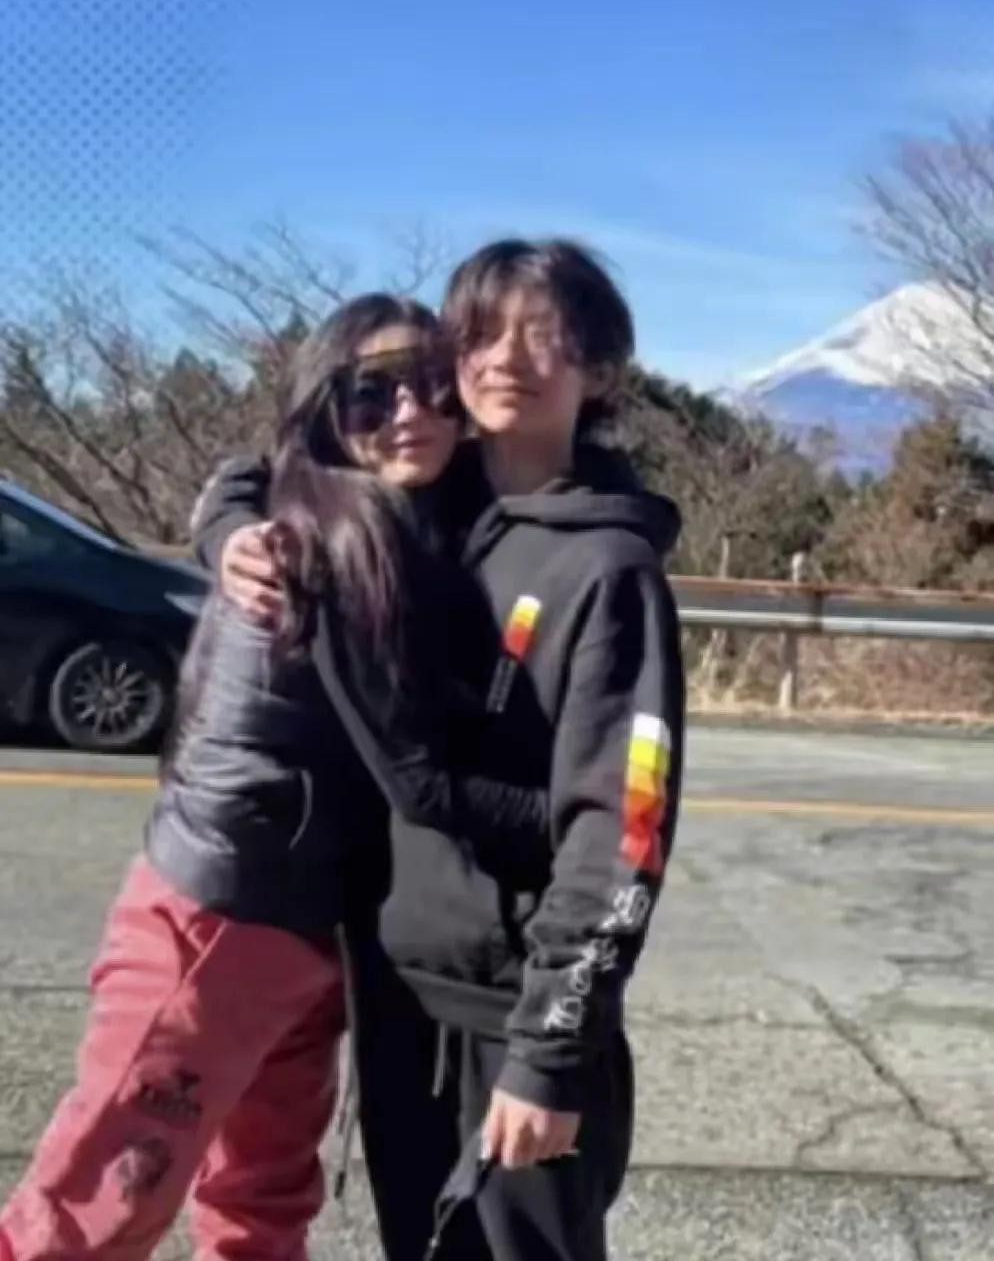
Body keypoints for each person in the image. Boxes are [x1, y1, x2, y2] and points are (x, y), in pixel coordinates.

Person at [0, 292, 547, 1261]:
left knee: (264, 1195)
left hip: (307, 926)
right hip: (222, 921)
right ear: (324, 406)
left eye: (434, 385)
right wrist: (573, 824)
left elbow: (246, 475)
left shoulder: (403, 520)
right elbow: (419, 772)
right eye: (373, 391)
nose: (411, 411)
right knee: (99, 1201)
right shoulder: (317, 543)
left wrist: (223, 517)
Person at [192, 238, 686, 1261]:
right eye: (481, 333)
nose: (505, 357)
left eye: (544, 335)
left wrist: (551, 1055)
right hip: (398, 996)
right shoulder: (433, 509)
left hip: (513, 1015)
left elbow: (624, 832)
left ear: (599, 371)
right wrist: (227, 528)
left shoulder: (608, 569)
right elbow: (287, 465)